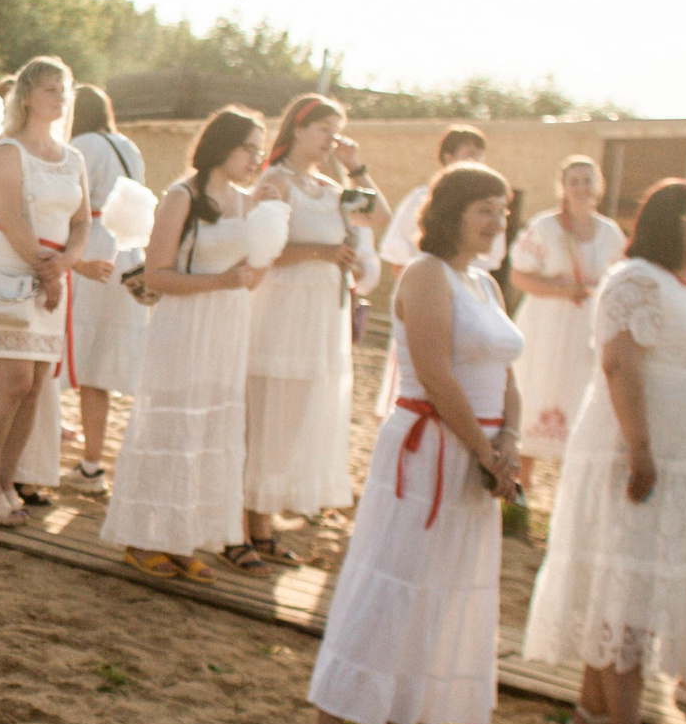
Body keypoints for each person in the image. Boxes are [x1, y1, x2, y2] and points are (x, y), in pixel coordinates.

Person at [304, 164, 522, 724]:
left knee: (441, 586)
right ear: (452, 211)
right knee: (389, 578)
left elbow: (508, 376)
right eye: (485, 208)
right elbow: (434, 373)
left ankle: (402, 723)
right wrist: (484, 452)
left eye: (503, 209)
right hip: (429, 449)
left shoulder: (485, 283)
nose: (498, 221)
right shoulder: (426, 274)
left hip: (480, 449)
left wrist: (509, 441)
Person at [521, 180, 686, 724]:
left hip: (684, 460)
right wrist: (640, 448)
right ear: (670, 224)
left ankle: (593, 709)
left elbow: (677, 351)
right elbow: (619, 362)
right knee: (631, 584)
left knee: (628, 577)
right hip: (636, 454)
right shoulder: (635, 278)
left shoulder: (682, 286)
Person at [99, 107, 289, 579]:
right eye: (248, 148)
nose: (256, 159)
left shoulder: (247, 203)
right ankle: (143, 540)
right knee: (170, 430)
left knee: (208, 433)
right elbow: (157, 275)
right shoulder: (182, 196)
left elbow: (254, 272)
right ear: (222, 145)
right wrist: (220, 282)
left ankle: (182, 541)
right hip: (183, 325)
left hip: (228, 326)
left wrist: (273, 214)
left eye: (260, 151)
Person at [244, 94, 382, 560]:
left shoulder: (330, 187)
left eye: (336, 130)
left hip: (322, 316)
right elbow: (259, 248)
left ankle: (263, 525)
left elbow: (376, 217)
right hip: (283, 312)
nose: (331, 139)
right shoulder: (275, 181)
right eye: (324, 129)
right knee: (267, 416)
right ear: (298, 129)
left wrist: (356, 167)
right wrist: (321, 253)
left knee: (293, 421)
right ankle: (248, 529)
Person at [0, 57, 94, 526]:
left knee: (36, 387)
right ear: (27, 96)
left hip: (55, 274)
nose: (60, 97)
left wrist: (67, 262)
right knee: (13, 381)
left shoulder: (73, 158)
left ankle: (5, 482)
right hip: (14, 273)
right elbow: (9, 215)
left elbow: (82, 221)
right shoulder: (8, 151)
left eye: (64, 89)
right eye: (49, 89)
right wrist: (47, 270)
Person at [506, 156, 626, 482]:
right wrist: (561, 290)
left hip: (585, 329)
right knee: (533, 396)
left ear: (598, 185)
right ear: (563, 187)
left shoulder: (610, 233)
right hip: (545, 324)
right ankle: (518, 493)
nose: (581, 188)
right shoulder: (545, 227)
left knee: (577, 403)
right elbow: (519, 276)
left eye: (588, 180)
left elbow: (617, 281)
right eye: (574, 181)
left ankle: (565, 497)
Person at [64, 84, 147, 485]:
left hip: (90, 245)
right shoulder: (129, 146)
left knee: (70, 352)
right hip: (127, 251)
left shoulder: (80, 146)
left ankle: (37, 457)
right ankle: (92, 463)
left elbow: (68, 203)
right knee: (98, 367)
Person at [379, 125, 501, 270]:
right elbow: (397, 255)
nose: (476, 161)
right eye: (469, 154)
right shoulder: (421, 198)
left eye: (480, 156)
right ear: (448, 157)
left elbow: (490, 260)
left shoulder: (489, 205)